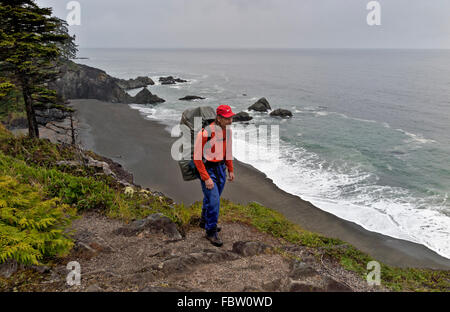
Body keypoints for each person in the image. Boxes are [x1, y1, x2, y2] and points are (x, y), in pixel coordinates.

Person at [193, 104, 236, 247]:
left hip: (221, 169)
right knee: (214, 201)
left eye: (231, 118)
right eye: (227, 118)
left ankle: (204, 221)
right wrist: (206, 178)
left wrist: (230, 169)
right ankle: (210, 232)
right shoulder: (205, 133)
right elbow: (197, 158)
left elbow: (227, 151)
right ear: (218, 118)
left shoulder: (227, 132)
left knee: (211, 199)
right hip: (208, 170)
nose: (230, 121)